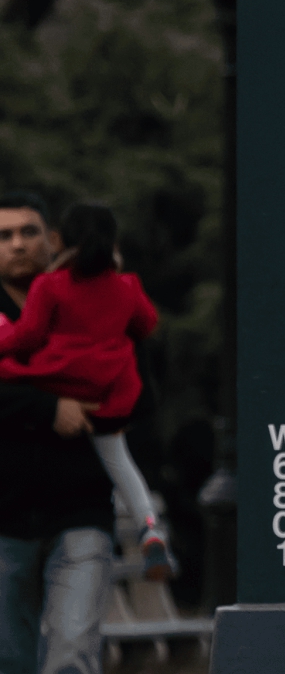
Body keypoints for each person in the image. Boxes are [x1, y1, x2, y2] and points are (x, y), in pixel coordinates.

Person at [0, 203, 171, 581]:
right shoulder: (126, 286)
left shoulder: (51, 285)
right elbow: (148, 323)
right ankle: (150, 529)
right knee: (119, 461)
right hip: (109, 390)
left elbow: (28, 335)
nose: (17, 245)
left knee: (9, 372)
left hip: (58, 378)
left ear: (58, 240)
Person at [0, 193, 60, 324]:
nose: (18, 245)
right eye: (4, 236)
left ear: (53, 241)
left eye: (29, 233)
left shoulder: (81, 301)